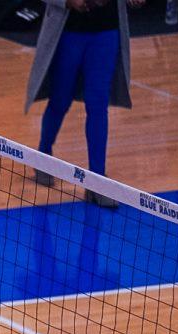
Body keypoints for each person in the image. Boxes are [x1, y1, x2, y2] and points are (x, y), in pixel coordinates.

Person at [25, 0, 144, 208]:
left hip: (107, 31)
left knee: (98, 105)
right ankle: (43, 158)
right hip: (69, 32)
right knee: (60, 101)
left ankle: (97, 181)